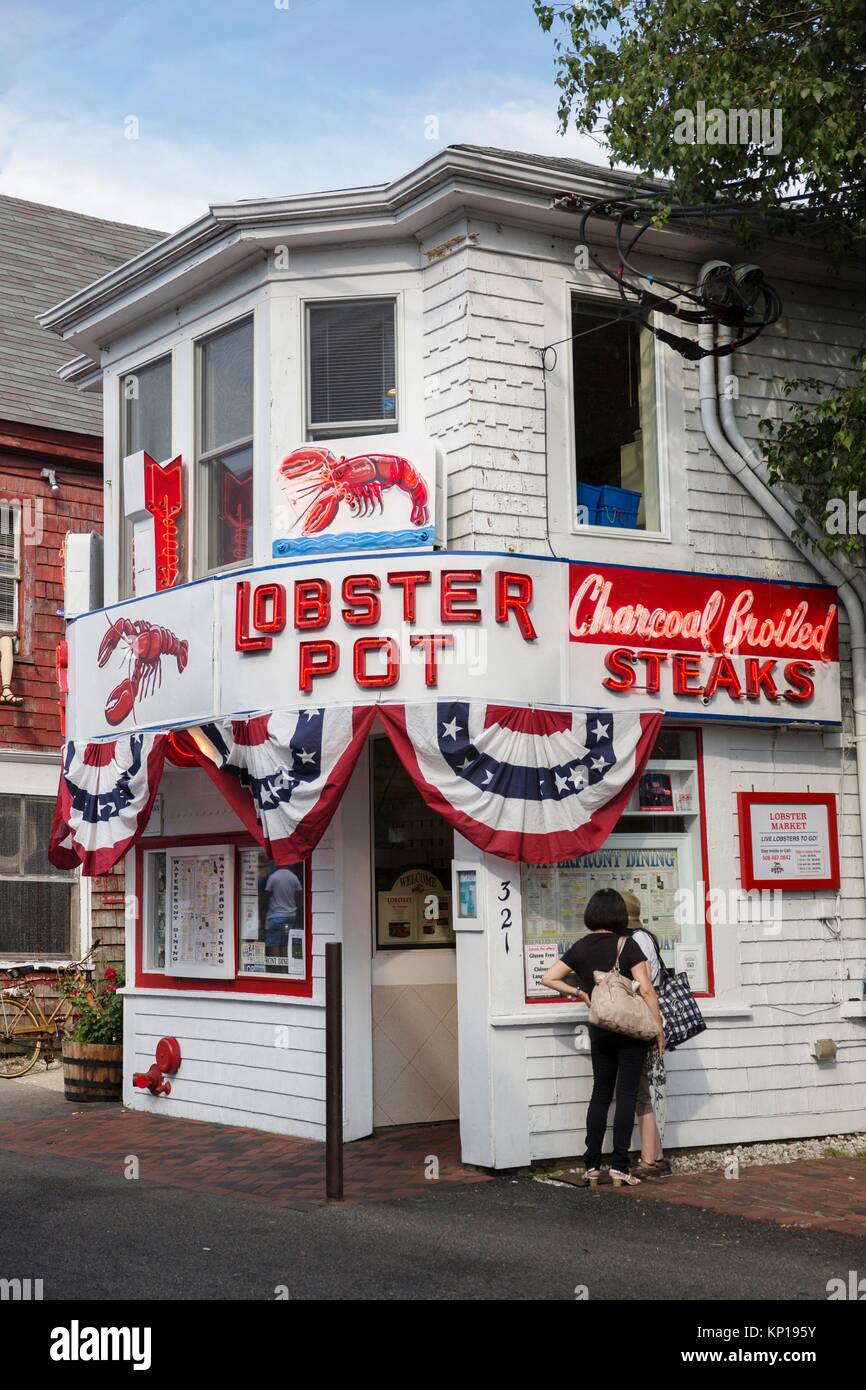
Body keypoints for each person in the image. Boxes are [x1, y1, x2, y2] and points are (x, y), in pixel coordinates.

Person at [542, 888, 666, 1187]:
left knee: (600, 1093)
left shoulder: (581, 947)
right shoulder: (629, 945)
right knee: (626, 1095)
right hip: (631, 1029)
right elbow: (647, 989)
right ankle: (620, 1167)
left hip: (600, 1029)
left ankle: (592, 1166)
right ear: (621, 916)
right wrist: (659, 1028)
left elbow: (548, 977)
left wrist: (580, 992)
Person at [621, 890, 671, 1179]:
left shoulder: (632, 941)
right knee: (646, 1087)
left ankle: (648, 1160)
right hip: (652, 1019)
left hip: (643, 1020)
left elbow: (643, 985)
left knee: (641, 1090)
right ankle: (659, 1155)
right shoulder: (647, 936)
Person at [263, 863, 303, 960]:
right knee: (286, 943)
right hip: (290, 917)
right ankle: (285, 969)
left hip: (276, 917)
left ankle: (276, 970)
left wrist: (262, 913)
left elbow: (266, 897)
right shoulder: (293, 877)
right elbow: (300, 898)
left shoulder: (273, 877)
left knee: (274, 943)